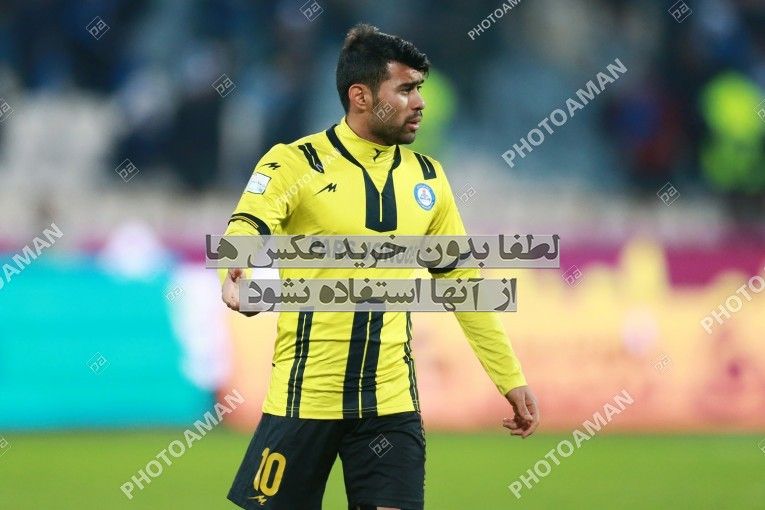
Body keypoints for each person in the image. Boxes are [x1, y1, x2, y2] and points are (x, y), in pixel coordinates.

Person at [222, 23, 539, 510]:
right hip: (305, 398)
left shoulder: (428, 178)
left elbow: (464, 285)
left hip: (390, 405)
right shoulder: (295, 163)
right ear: (361, 97)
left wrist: (510, 378)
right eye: (406, 89)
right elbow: (246, 224)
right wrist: (236, 271)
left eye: (420, 89)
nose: (421, 103)